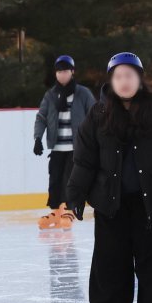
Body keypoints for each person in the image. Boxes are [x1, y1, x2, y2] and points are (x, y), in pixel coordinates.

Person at [65, 52, 152, 303]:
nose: (124, 82)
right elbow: (84, 160)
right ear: (111, 80)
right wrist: (76, 195)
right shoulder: (98, 115)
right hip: (111, 202)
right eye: (119, 76)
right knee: (110, 257)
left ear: (139, 79)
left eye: (130, 76)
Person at [32, 54, 95, 230]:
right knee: (55, 180)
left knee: (70, 180)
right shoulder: (51, 95)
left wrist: (93, 139)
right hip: (57, 147)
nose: (62, 74)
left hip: (77, 147)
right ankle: (55, 212)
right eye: (59, 71)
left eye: (65, 71)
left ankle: (68, 210)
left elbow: (94, 115)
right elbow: (41, 117)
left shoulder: (83, 93)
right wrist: (38, 138)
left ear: (72, 72)